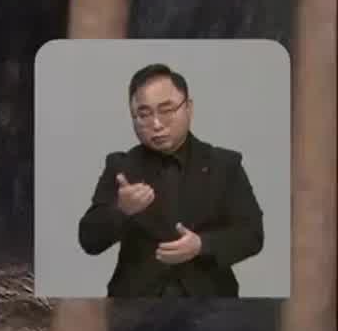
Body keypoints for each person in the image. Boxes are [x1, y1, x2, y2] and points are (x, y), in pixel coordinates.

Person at [76, 64, 265, 297]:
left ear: (189, 108)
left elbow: (252, 234)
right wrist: (121, 210)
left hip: (210, 304)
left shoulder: (225, 165)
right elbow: (89, 240)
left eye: (166, 110)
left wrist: (202, 245)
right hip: (135, 306)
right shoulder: (121, 166)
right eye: (144, 114)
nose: (156, 124)